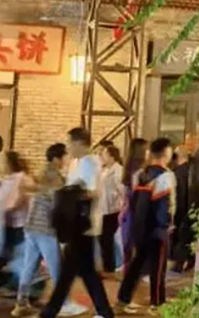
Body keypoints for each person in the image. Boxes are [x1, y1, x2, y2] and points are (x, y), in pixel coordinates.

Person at [39, 127, 113, 318]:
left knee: (70, 272)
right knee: (83, 271)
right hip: (78, 225)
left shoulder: (90, 163)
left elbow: (92, 192)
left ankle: (50, 311)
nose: (68, 147)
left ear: (79, 143)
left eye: (70, 143)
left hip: (83, 224)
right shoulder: (77, 163)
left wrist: (69, 195)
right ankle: (104, 312)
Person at [115, 138, 176, 314]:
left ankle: (123, 299)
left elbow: (134, 203)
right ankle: (157, 303)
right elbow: (165, 204)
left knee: (136, 264)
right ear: (166, 152)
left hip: (140, 227)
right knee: (158, 267)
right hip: (157, 228)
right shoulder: (166, 176)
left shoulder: (140, 174)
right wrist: (167, 224)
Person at [12, 143, 68, 318]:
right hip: (45, 227)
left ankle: (21, 304)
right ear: (57, 158)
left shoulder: (43, 172)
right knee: (56, 268)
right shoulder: (53, 175)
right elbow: (58, 200)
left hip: (32, 226)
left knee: (29, 267)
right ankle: (63, 305)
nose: (66, 159)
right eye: (65, 156)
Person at [171, 133, 199, 273]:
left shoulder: (179, 172)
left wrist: (177, 212)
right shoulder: (192, 168)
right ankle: (190, 260)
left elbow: (181, 194)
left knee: (183, 237)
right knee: (188, 237)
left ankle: (178, 265)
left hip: (185, 209)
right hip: (193, 208)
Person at [0, 151, 30, 262]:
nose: (0, 166)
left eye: (2, 162)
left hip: (18, 225)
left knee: (16, 257)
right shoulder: (5, 180)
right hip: (5, 224)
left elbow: (19, 198)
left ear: (9, 163)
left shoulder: (21, 178)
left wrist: (5, 208)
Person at [120, 138, 147, 276]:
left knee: (128, 244)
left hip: (127, 210)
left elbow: (125, 193)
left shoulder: (128, 168)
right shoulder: (141, 171)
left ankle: (128, 270)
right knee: (137, 242)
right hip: (136, 210)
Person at [98, 142, 124, 275]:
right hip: (103, 209)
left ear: (112, 157)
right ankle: (107, 265)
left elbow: (121, 190)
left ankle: (111, 267)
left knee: (108, 239)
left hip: (112, 210)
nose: (102, 157)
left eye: (104, 155)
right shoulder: (104, 169)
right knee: (103, 239)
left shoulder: (118, 170)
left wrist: (121, 204)